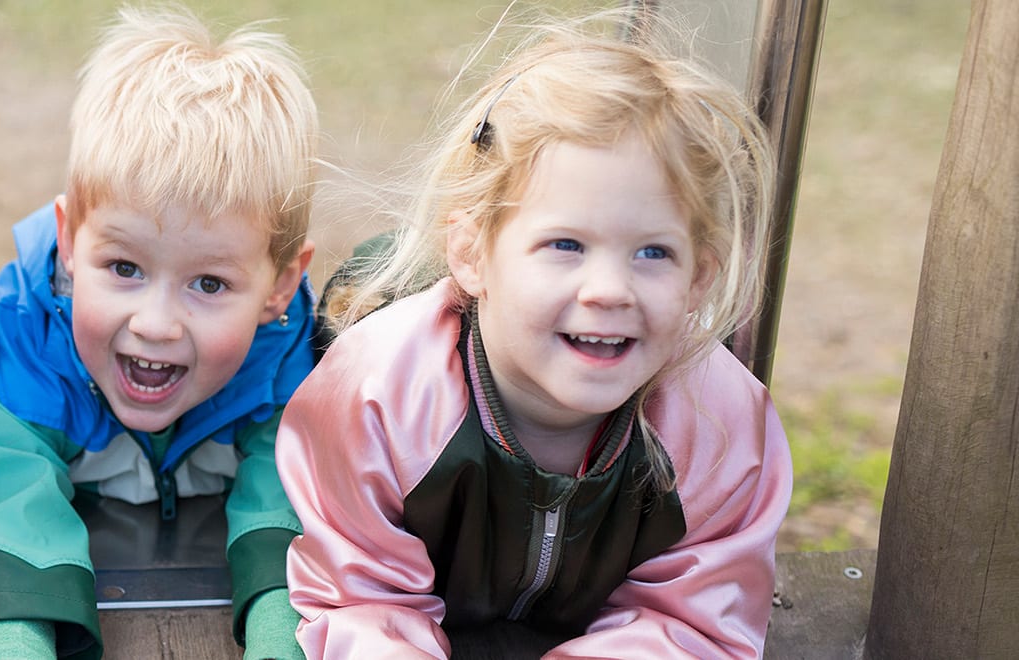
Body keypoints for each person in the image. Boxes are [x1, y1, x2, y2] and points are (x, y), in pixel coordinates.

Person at [278, 13, 792, 658]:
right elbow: (361, 599)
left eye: (653, 253)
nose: (610, 289)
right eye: (566, 244)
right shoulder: (377, 395)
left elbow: (692, 622)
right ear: (471, 254)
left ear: (699, 279)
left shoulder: (719, 425)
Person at [0, 6, 321, 658]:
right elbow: (6, 512)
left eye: (209, 284)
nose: (154, 323)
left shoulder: (285, 358)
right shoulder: (30, 341)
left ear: (279, 288)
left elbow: (288, 508)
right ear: (68, 243)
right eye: (124, 268)